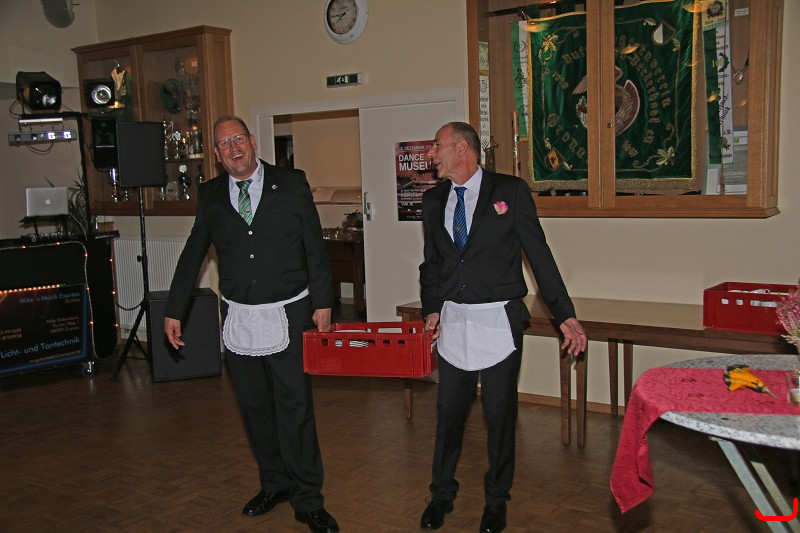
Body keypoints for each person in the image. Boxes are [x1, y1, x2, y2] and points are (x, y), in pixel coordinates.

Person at [163, 115, 339, 533]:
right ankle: (274, 484)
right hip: (239, 317)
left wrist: (323, 301)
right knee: (255, 408)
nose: (234, 149)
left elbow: (314, 245)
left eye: (238, 139)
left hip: (289, 312)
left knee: (295, 408)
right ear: (217, 154)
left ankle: (308, 499)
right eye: (224, 144)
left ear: (252, 141)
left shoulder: (291, 183)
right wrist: (174, 309)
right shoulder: (210, 194)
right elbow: (193, 253)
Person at [417, 122, 586, 533]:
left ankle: (496, 500)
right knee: (448, 413)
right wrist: (432, 309)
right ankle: (441, 494)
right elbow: (432, 264)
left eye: (437, 145)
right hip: (454, 320)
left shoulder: (510, 191)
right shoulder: (433, 199)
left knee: (499, 414)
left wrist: (564, 313)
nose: (431, 153)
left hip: (498, 320)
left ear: (462, 148)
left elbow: (539, 255)